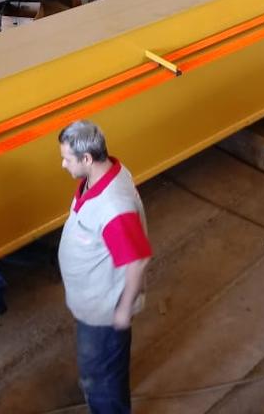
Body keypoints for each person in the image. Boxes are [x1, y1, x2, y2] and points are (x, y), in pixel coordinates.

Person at [57, 120, 152, 414]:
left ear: (87, 159)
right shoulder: (103, 173)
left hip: (105, 312)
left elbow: (137, 260)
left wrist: (123, 309)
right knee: (99, 366)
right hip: (93, 300)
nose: (62, 164)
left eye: (66, 158)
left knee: (104, 380)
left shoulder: (113, 206)